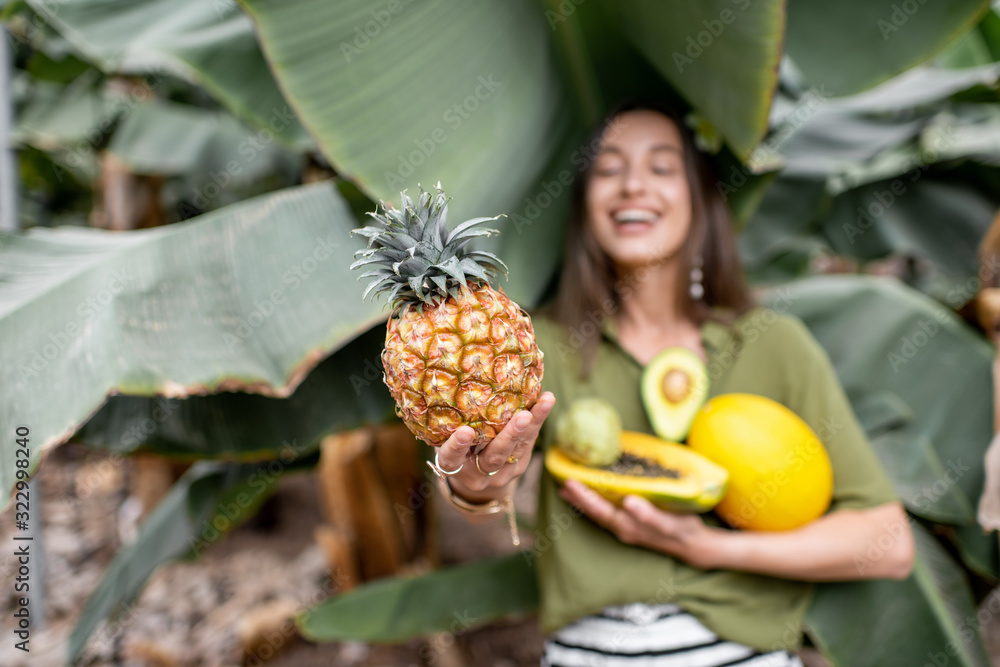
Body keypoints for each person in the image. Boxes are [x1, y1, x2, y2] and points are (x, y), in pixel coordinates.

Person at [429, 101, 915, 666]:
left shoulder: (774, 345)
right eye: (608, 170)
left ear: (700, 200)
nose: (633, 185)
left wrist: (708, 546)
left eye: (661, 168)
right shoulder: (535, 347)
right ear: (585, 205)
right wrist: (476, 483)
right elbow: (482, 489)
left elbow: (888, 543)